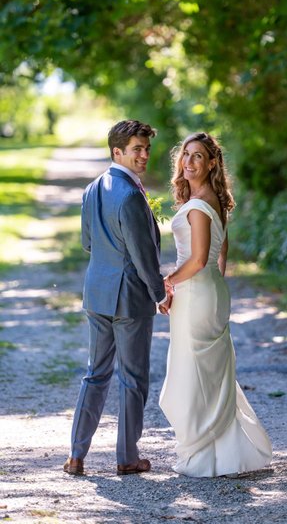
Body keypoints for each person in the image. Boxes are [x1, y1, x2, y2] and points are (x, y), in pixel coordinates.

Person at [159, 132, 272, 477]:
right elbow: (219, 256)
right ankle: (216, 451)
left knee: (194, 375)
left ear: (212, 163)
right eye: (186, 155)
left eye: (198, 156)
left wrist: (168, 282)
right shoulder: (215, 201)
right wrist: (213, 286)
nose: (189, 162)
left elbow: (195, 260)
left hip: (195, 293)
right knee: (208, 373)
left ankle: (204, 455)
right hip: (207, 291)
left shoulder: (197, 207)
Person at [63, 119, 167, 476]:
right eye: (137, 149)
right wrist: (159, 293)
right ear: (117, 152)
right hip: (129, 299)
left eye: (147, 149)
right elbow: (143, 255)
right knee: (133, 379)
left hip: (97, 293)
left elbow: (88, 243)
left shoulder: (93, 189)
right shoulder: (130, 196)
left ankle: (76, 456)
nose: (144, 156)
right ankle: (126, 459)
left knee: (95, 374)